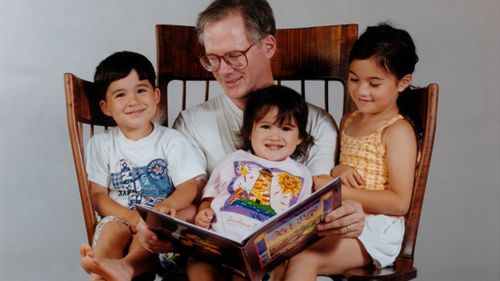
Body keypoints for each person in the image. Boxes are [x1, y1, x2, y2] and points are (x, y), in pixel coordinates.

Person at [137, 0, 366, 257]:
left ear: (268, 46)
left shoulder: (317, 123)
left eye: (235, 56)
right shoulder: (191, 124)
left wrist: (348, 215)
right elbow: (191, 206)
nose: (223, 71)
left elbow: (315, 206)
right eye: (213, 59)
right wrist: (162, 228)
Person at [275, 23, 420, 280]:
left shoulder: (397, 131)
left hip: (377, 229)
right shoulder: (350, 121)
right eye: (354, 79)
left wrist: (338, 189)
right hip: (342, 218)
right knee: (280, 253)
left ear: (403, 82)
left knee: (305, 258)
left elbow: (399, 202)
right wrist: (338, 170)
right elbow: (342, 168)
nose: (361, 90)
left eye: (374, 83)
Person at [78, 51, 206, 281]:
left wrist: (165, 207)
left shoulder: (171, 140)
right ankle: (101, 271)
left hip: (160, 228)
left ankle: (126, 267)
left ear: (156, 95)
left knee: (151, 230)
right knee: (112, 230)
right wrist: (132, 219)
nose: (133, 101)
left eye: (141, 90)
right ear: (105, 107)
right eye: (120, 94)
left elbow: (189, 186)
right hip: (120, 218)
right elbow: (97, 196)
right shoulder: (101, 144)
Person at [187, 85, 315, 280]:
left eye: (286, 128)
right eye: (265, 126)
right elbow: (211, 194)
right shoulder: (234, 160)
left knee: (271, 269)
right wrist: (203, 212)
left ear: (300, 138)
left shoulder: (301, 174)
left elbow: (302, 218)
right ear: (249, 132)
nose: (275, 136)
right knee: (197, 264)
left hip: (263, 254)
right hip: (220, 242)